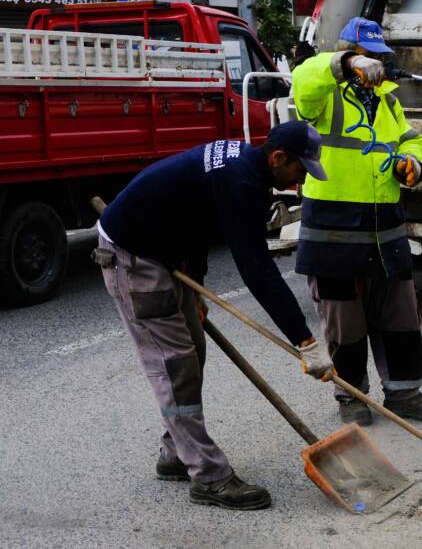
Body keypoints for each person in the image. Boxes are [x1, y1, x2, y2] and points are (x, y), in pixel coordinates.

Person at [94, 121, 338, 511]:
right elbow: (257, 269)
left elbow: (197, 217)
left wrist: (195, 283)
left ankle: (176, 453)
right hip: (133, 259)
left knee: (193, 350)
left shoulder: (246, 166)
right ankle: (208, 476)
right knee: (176, 367)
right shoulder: (243, 183)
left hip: (163, 251)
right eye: (299, 171)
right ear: (278, 158)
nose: (300, 182)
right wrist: (304, 341)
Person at [291, 17, 422, 426]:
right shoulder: (325, 97)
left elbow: (409, 138)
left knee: (400, 315)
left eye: (379, 59)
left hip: (385, 229)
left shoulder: (389, 102)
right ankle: (351, 397)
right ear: (349, 56)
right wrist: (345, 64)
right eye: (368, 59)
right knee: (345, 322)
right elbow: (304, 78)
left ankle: (405, 394)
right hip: (334, 228)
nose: (376, 68)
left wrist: (412, 162)